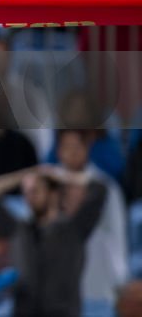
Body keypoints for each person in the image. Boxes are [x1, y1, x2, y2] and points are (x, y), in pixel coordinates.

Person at [0, 164, 107, 317]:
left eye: (36, 190)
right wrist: (25, 174)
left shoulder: (74, 228)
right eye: (27, 192)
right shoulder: (17, 229)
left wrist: (61, 175)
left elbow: (100, 189)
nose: (30, 196)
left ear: (53, 194)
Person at [54, 129, 128, 304]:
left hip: (96, 270)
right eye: (67, 147)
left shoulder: (107, 187)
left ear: (87, 148)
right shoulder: (46, 185)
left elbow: (117, 236)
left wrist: (121, 279)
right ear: (58, 150)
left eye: (77, 146)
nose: (72, 153)